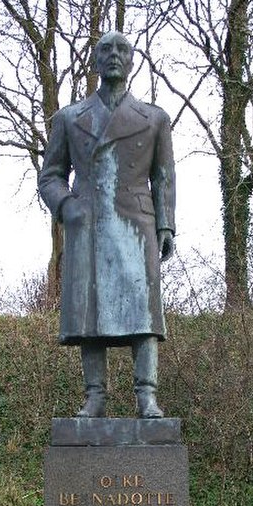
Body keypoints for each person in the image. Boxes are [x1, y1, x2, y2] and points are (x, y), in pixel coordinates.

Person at [38, 31, 175, 418]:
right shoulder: (69, 118)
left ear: (132, 61)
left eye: (122, 50)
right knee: (89, 313)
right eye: (105, 49)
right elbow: (50, 176)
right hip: (89, 224)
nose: (114, 55)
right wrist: (67, 206)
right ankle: (94, 396)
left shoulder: (155, 119)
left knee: (144, 314)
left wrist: (166, 227)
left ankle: (146, 395)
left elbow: (162, 177)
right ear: (95, 61)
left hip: (136, 224)